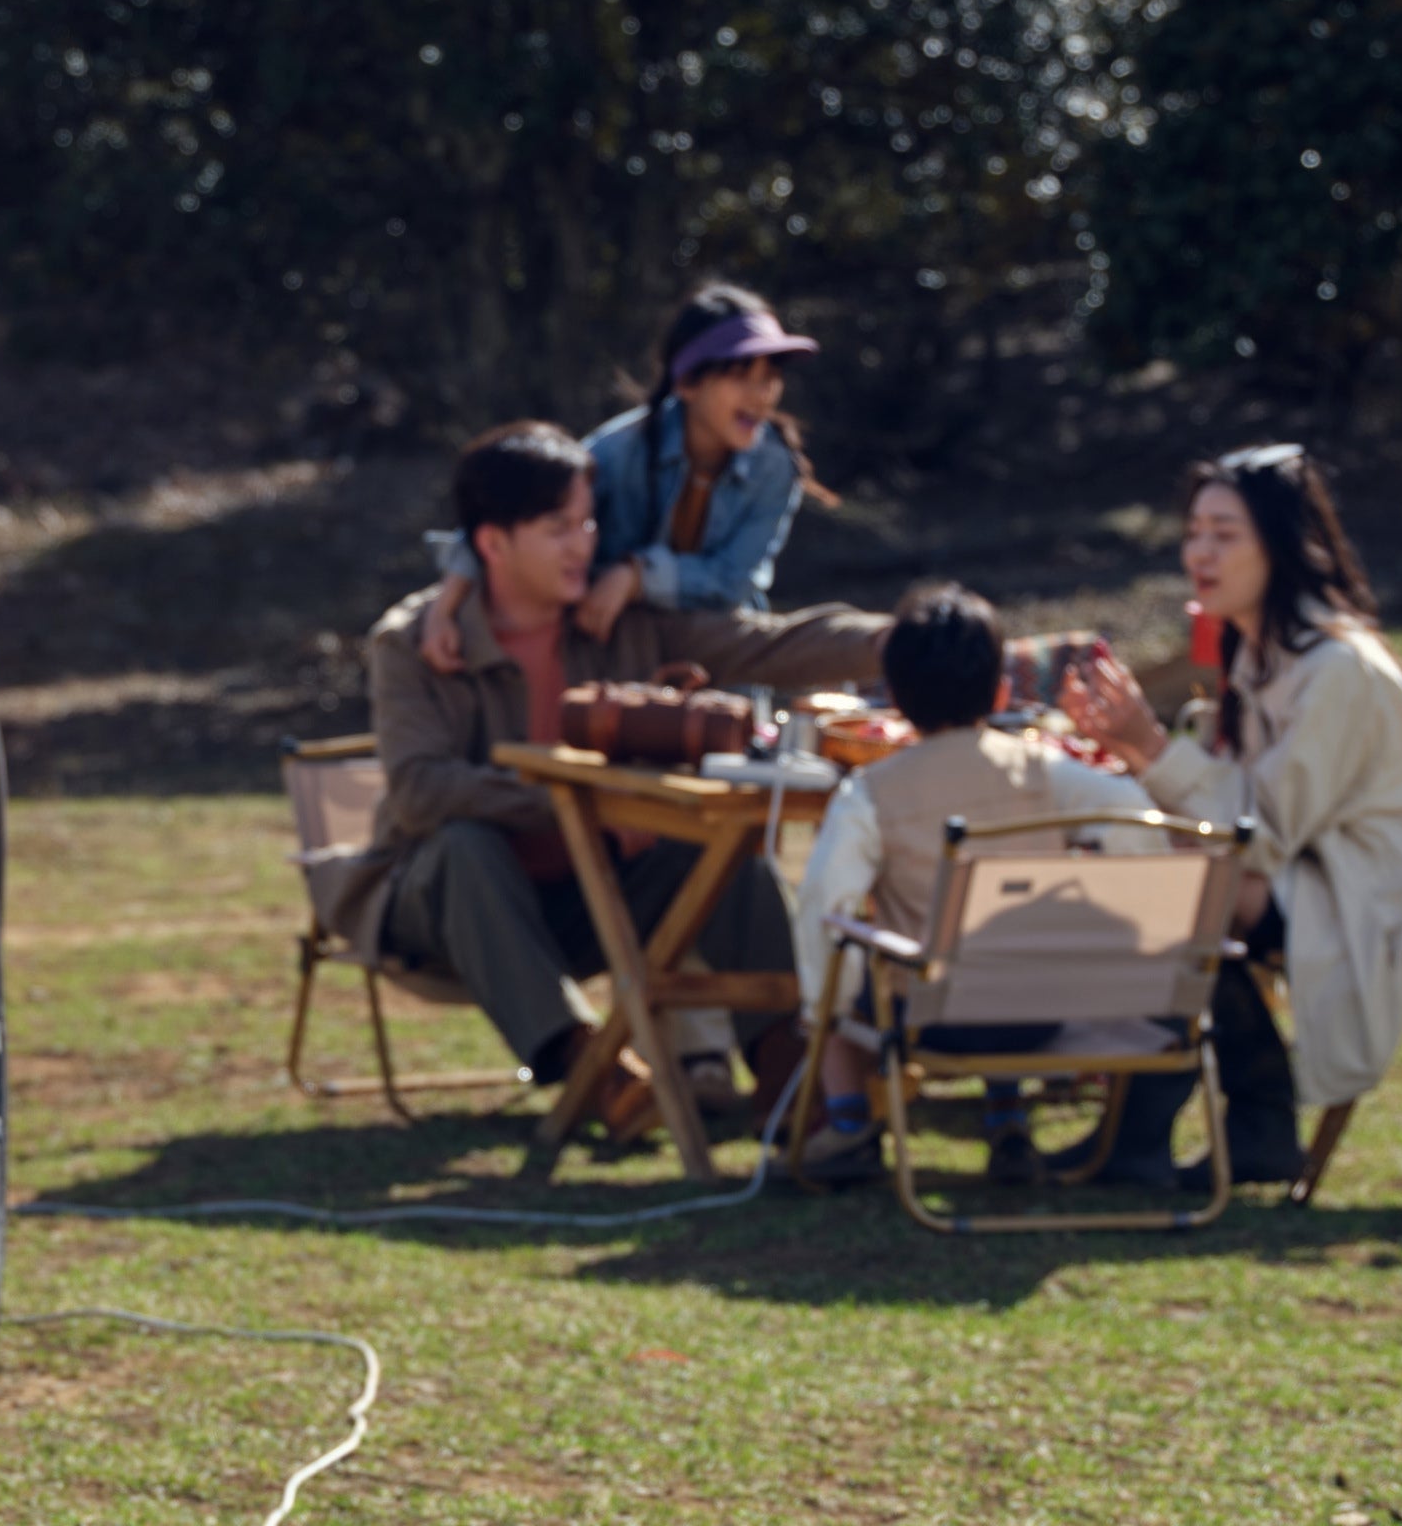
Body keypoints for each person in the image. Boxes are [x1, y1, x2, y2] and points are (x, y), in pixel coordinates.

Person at [334, 422, 890, 1127]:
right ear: (492, 543)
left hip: (593, 897)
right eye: (558, 529)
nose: (584, 544)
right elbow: (421, 793)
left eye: (588, 523)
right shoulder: (413, 642)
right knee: (464, 846)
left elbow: (763, 645)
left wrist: (896, 641)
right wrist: (583, 804)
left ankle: (790, 1073)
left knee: (726, 859)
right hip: (447, 911)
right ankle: (592, 1072)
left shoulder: (619, 620)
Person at [1061, 443, 1402, 1183]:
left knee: (1187, 891)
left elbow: (1263, 833)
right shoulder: (1267, 650)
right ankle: (1171, 1128)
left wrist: (1149, 746)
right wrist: (1136, 754)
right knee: (1162, 873)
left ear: (1280, 547)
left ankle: (1216, 1123)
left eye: (1225, 534)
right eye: (1194, 533)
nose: (1201, 553)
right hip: (1339, 865)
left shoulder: (1336, 665)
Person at [791, 584, 1171, 1184]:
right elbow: (1134, 818)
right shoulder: (1046, 772)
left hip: (928, 1017)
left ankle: (848, 1123)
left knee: (842, 961)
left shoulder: (871, 793)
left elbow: (824, 904)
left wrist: (824, 1005)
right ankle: (1005, 1114)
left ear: (895, 699)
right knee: (1006, 936)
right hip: (1045, 1009)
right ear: (999, 691)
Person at [418, 283, 837, 673]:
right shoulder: (617, 453)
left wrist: (636, 576)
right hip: (616, 651)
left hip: (725, 654)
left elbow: (734, 580)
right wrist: (444, 608)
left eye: (770, 378)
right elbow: (508, 520)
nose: (761, 395)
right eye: (741, 376)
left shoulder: (775, 466)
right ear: (687, 383)